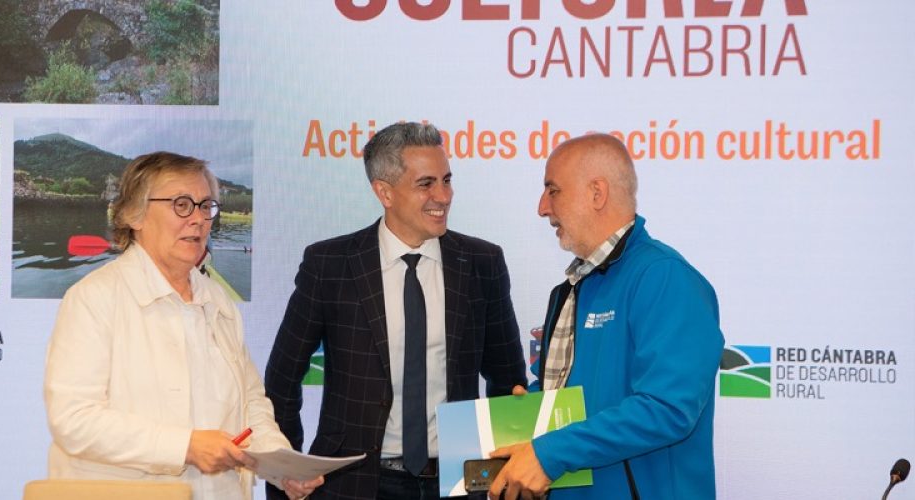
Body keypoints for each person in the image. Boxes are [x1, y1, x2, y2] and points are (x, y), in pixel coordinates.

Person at [265, 122, 527, 500]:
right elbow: (282, 380)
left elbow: (508, 380)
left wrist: (505, 480)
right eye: (426, 184)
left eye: (446, 180)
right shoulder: (330, 264)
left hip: (456, 483)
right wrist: (288, 475)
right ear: (384, 192)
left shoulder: (482, 262)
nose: (443, 196)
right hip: (352, 485)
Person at [44, 152, 324, 500]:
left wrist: (281, 465)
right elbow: (74, 419)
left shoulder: (217, 300)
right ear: (134, 215)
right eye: (181, 205)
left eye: (206, 206)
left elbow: (250, 402)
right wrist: (185, 446)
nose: (199, 219)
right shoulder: (93, 298)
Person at [488, 134, 725, 500]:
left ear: (597, 193)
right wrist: (534, 408)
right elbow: (583, 396)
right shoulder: (570, 288)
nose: (542, 207)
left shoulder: (665, 278)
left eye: (553, 190)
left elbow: (668, 408)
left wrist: (550, 454)